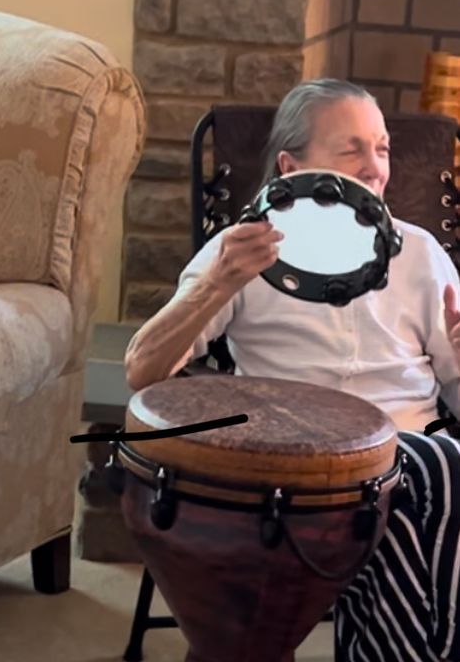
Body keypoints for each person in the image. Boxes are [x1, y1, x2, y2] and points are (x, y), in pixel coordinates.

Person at [125, 79, 460, 661]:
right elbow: (142, 370)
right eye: (352, 149)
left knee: (419, 483)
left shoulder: (422, 254)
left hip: (413, 456)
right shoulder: (244, 252)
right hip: (302, 469)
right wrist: (217, 285)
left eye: (382, 149)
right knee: (428, 477)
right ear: (291, 167)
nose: (375, 167)